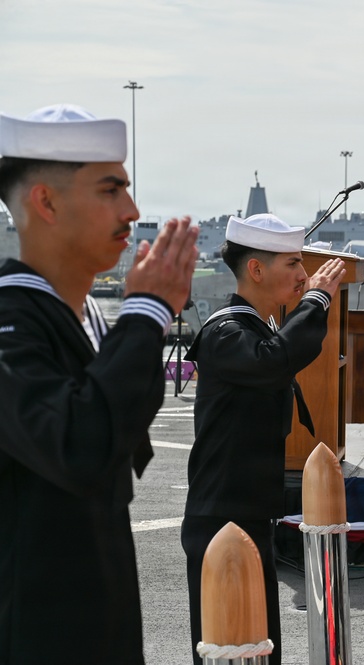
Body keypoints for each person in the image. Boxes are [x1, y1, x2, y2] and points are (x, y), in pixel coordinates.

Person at [0, 104, 198, 664]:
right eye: (111, 190)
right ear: (46, 201)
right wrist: (147, 311)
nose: (132, 211)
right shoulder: (12, 321)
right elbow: (79, 447)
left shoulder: (80, 317)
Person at [181, 214, 345, 665]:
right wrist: (316, 302)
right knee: (230, 647)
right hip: (220, 519)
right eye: (292, 262)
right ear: (256, 269)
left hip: (249, 510)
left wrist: (311, 303)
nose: (302, 274)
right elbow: (273, 362)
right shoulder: (226, 331)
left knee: (259, 645)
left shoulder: (257, 327)